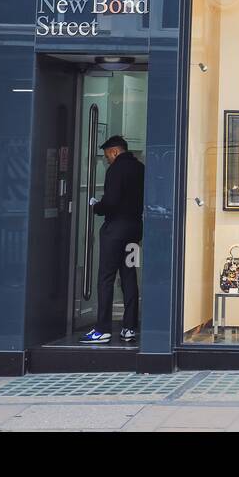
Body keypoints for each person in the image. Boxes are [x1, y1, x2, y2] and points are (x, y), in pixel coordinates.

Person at [81, 135, 145, 344]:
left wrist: (95, 206)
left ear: (115, 152)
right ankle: (129, 327)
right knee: (129, 275)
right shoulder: (141, 168)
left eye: (108, 155)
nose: (107, 159)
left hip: (115, 230)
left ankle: (102, 328)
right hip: (134, 229)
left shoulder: (116, 170)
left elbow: (111, 202)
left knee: (106, 277)